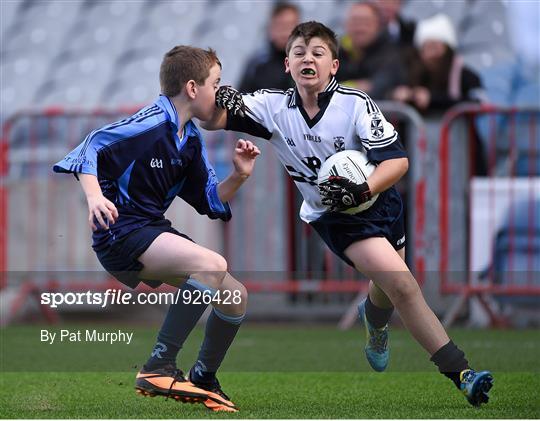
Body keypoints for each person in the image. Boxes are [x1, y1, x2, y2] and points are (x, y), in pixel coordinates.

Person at [206, 21, 493, 407]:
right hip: (336, 218)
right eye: (299, 53)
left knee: (388, 290)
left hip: (380, 202)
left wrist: (364, 187)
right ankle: (462, 374)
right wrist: (206, 93)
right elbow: (213, 119)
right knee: (404, 285)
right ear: (287, 66)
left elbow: (398, 162)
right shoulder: (270, 105)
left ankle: (374, 321)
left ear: (335, 66)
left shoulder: (356, 104)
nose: (308, 58)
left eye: (318, 53)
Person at [53, 45, 261, 413]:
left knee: (235, 295)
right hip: (119, 231)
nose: (221, 91)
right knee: (212, 264)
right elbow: (90, 146)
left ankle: (203, 377)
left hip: (149, 229)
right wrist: (94, 197)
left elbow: (211, 199)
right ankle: (159, 366)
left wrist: (240, 176)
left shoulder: (191, 139)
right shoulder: (150, 123)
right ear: (193, 88)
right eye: (216, 83)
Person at [391, 14, 485, 112]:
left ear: (447, 49)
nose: (431, 54)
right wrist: (399, 95)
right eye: (426, 48)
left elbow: (477, 103)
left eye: (435, 47)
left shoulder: (464, 75)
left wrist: (433, 100)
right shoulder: (413, 73)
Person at [336, 1, 404, 99]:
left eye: (366, 22)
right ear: (346, 25)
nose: (360, 28)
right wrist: (355, 86)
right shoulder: (335, 52)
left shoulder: (390, 54)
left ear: (378, 25)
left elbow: (378, 88)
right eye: (355, 22)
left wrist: (338, 88)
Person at [237, 1, 300, 93]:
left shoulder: (310, 62)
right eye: (280, 25)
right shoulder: (257, 65)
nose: (285, 32)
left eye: (290, 26)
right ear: (271, 29)